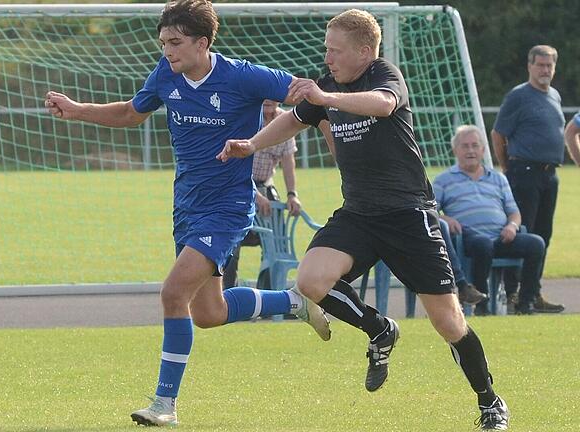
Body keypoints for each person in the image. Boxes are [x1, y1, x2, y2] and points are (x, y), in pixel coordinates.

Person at [44, 0, 333, 426]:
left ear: (203, 43)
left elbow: (306, 94)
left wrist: (337, 133)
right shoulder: (166, 74)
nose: (167, 51)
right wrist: (77, 109)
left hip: (229, 207)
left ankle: (164, 404)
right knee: (208, 313)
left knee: (172, 294)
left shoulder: (243, 75)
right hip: (187, 207)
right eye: (162, 42)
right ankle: (291, 302)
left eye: (175, 43)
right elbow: (130, 113)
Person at [218, 9, 510, 430]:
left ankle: (490, 403)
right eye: (325, 49)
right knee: (310, 281)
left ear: (365, 51)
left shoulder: (383, 76)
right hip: (359, 213)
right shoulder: (328, 86)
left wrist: (326, 99)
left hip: (408, 214)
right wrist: (251, 143)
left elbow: (384, 104)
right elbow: (292, 120)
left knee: (448, 321)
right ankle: (380, 329)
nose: (328, 58)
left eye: (335, 51)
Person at [434, 125, 546, 315]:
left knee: (536, 244)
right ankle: (482, 304)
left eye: (475, 146)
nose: (470, 150)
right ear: (455, 150)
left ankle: (524, 302)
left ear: (483, 150)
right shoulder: (443, 180)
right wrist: (446, 218)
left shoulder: (498, 178)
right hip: (469, 238)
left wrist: (512, 226)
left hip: (502, 236)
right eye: (465, 146)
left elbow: (514, 212)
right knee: (483, 244)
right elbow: (430, 211)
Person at [491, 45, 565, 313]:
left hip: (549, 174)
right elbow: (498, 134)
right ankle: (513, 294)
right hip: (524, 173)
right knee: (523, 234)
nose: (545, 70)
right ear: (530, 66)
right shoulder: (519, 96)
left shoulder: (554, 95)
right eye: (540, 65)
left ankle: (533, 293)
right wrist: (508, 166)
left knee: (543, 235)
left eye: (549, 66)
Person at [222, 99, 302, 290]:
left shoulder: (285, 121)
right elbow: (232, 164)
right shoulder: (245, 117)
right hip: (238, 187)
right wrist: (254, 195)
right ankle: (227, 296)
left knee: (276, 241)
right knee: (231, 243)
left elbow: (288, 162)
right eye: (264, 95)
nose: (268, 101)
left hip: (266, 185)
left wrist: (292, 194)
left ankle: (268, 296)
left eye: (272, 96)